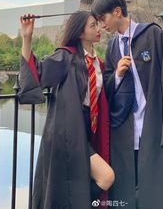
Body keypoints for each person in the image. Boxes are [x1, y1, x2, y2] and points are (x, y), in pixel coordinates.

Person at [91, 0, 163, 209]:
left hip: (152, 127)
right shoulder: (113, 48)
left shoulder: (153, 35)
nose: (101, 25)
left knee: (157, 188)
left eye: (102, 18)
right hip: (124, 132)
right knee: (126, 190)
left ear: (117, 11)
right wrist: (117, 74)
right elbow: (106, 87)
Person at [18, 11, 114, 209]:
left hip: (87, 131)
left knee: (70, 184)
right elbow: (38, 72)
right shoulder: (66, 57)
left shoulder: (98, 63)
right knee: (106, 177)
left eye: (97, 24)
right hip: (68, 133)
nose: (98, 29)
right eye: (92, 26)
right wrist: (27, 38)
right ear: (80, 32)